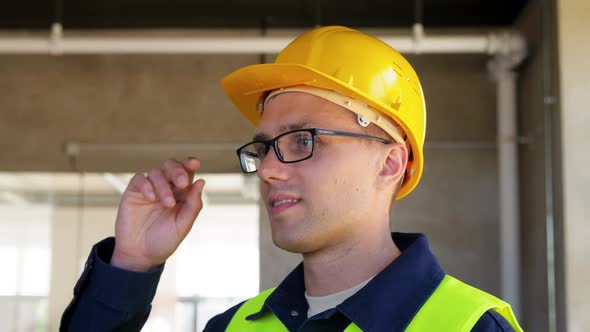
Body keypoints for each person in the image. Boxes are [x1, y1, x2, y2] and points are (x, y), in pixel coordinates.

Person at [61, 26, 523, 331]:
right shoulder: (234, 327)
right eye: (262, 148)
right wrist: (131, 266)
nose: (266, 168)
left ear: (390, 163)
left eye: (303, 140)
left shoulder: (469, 326)